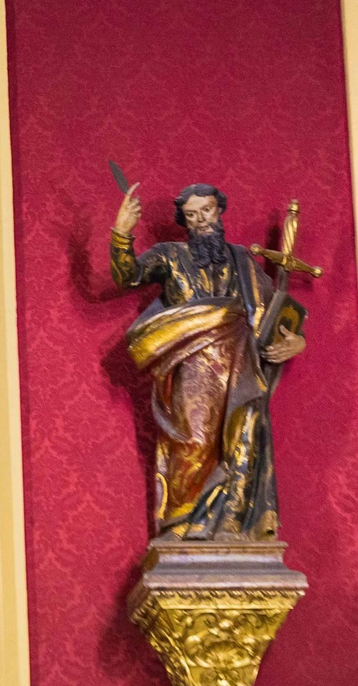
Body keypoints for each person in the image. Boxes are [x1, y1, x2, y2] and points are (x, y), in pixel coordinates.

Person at [111, 181, 306, 539]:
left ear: (220, 211)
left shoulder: (243, 260)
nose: (201, 220)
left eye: (207, 211)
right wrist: (122, 234)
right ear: (183, 220)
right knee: (193, 441)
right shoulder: (170, 255)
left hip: (241, 367)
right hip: (192, 368)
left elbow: (274, 313)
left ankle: (233, 522)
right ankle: (183, 525)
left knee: (242, 439)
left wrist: (296, 341)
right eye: (191, 215)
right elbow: (128, 275)